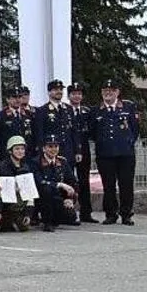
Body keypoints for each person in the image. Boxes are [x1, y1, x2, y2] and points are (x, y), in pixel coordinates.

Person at [92, 78, 138, 225]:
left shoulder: (128, 107)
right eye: (105, 91)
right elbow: (92, 133)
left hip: (125, 154)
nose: (108, 93)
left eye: (111, 91)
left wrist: (128, 142)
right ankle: (111, 214)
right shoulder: (96, 110)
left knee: (126, 185)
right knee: (108, 186)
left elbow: (135, 129)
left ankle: (126, 214)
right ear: (101, 92)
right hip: (105, 154)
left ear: (117, 92)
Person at [33, 135, 79, 232]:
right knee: (46, 189)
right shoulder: (36, 162)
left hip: (58, 197)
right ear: (44, 148)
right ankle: (47, 222)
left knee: (70, 217)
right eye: (50, 146)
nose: (53, 149)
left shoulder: (62, 161)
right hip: (42, 198)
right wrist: (60, 184)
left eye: (56, 146)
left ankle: (56, 218)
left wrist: (69, 198)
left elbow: (72, 181)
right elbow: (39, 182)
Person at [67, 81, 96, 222]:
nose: (77, 96)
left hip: (84, 150)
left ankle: (86, 213)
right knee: (68, 180)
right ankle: (68, 212)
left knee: (84, 182)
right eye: (74, 94)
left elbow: (92, 130)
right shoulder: (65, 111)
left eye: (79, 94)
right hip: (68, 149)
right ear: (69, 96)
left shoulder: (86, 111)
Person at [0, 136, 34, 232]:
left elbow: (30, 193)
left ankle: (20, 218)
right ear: (10, 151)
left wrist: (28, 214)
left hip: (20, 202)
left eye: (22, 149)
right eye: (17, 149)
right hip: (5, 202)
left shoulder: (26, 167)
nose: (20, 151)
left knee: (24, 227)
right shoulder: (1, 167)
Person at [33, 79, 77, 161]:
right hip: (51, 152)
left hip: (68, 152)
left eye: (61, 89)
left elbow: (73, 131)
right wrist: (41, 152)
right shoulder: (42, 110)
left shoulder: (68, 109)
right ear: (49, 92)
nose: (59, 92)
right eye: (56, 89)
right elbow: (39, 133)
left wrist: (77, 150)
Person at [0, 86, 35, 158]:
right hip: (7, 155)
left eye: (19, 97)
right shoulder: (0, 116)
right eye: (14, 97)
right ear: (7, 99)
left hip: (27, 154)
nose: (17, 100)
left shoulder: (29, 114)